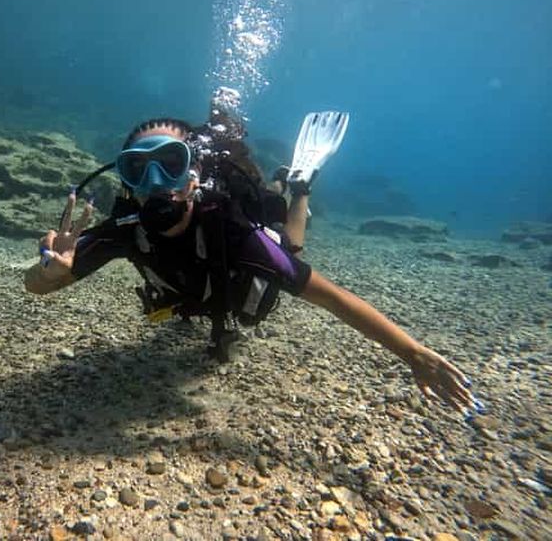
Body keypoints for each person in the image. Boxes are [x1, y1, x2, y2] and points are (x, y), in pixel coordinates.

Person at [24, 101, 479, 415]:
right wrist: (47, 274)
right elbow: (37, 285)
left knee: (290, 245)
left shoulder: (234, 232)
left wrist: (413, 352)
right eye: (138, 169)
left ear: (195, 173)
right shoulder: (125, 231)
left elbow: (333, 299)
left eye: (171, 163)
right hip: (194, 293)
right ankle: (288, 187)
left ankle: (298, 184)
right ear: (125, 180)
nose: (157, 181)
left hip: (247, 241)